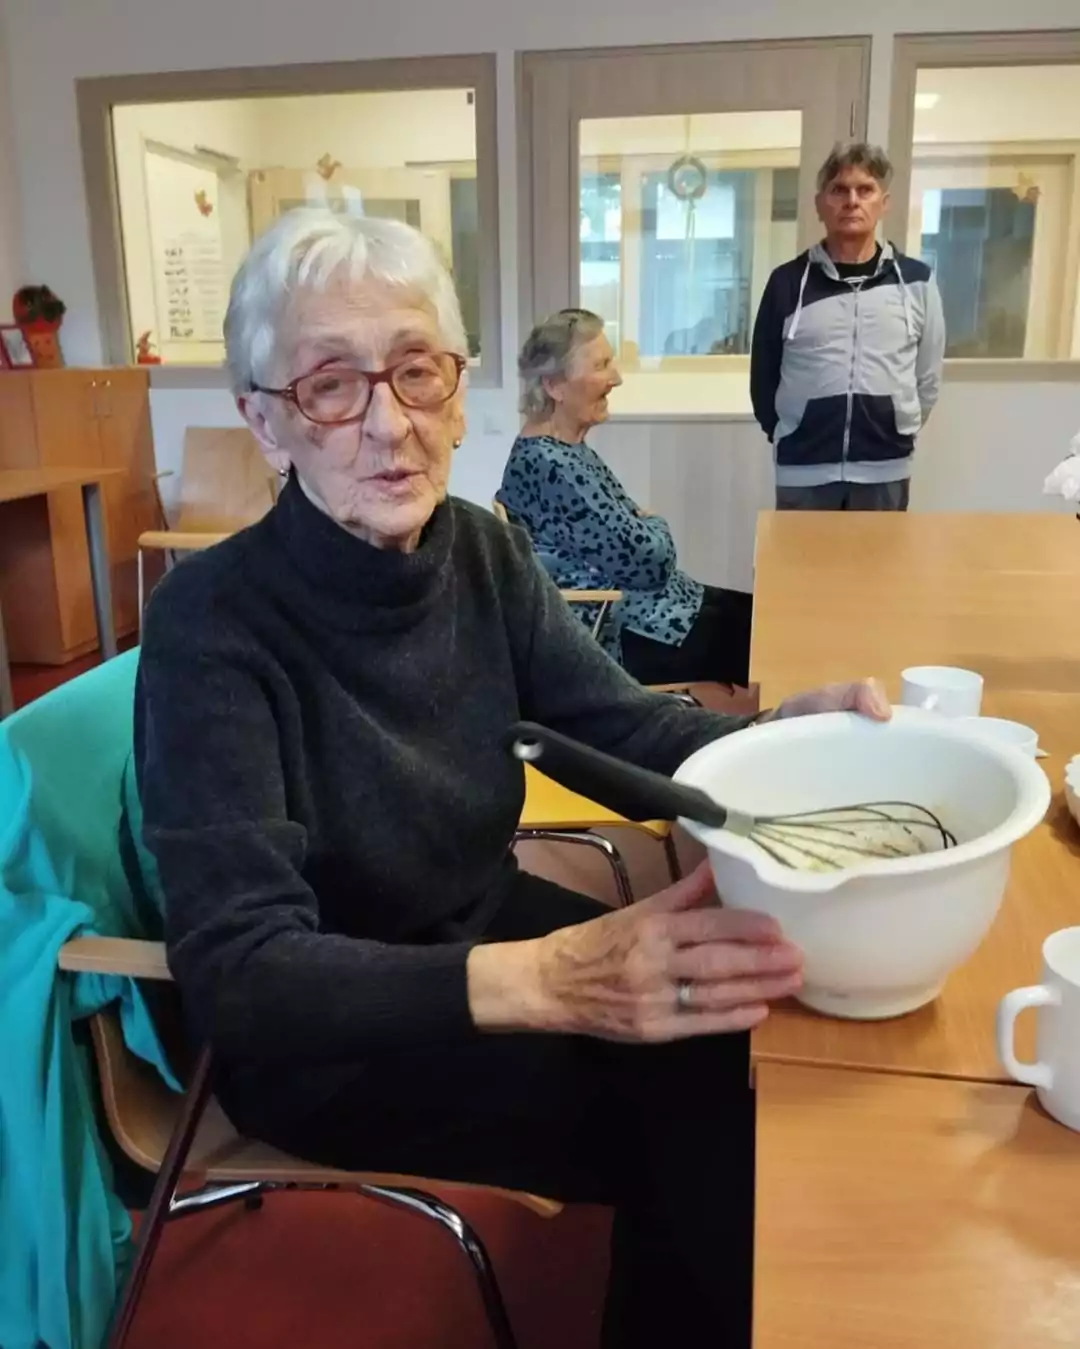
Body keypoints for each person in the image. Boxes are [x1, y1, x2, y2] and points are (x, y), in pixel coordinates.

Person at [135, 208, 891, 1349]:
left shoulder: (481, 550)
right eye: (331, 385)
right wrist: (552, 979)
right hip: (332, 1032)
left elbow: (624, 729)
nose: (389, 423)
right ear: (265, 420)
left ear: (458, 389)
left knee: (732, 1051)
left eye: (416, 370)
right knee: (696, 1119)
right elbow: (243, 974)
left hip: (478, 921)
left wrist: (783, 735)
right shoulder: (212, 622)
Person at [497, 308, 754, 687]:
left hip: (649, 608)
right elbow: (651, 563)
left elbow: (633, 541)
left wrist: (643, 526)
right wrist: (655, 522)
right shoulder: (550, 466)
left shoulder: (561, 450)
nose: (616, 378)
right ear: (555, 386)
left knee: (762, 612)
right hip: (618, 632)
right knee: (767, 636)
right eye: (601, 365)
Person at [750, 141, 946, 512]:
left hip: (886, 470)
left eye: (865, 190)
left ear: (883, 203)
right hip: (803, 471)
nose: (852, 201)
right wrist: (787, 431)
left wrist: (897, 427)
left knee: (880, 555)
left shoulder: (918, 282)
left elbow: (928, 377)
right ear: (820, 204)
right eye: (839, 190)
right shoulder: (787, 282)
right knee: (800, 555)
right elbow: (763, 374)